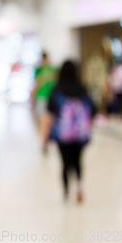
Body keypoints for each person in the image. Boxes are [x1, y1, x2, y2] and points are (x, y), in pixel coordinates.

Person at [42, 60, 95, 203]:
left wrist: (44, 139)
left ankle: (66, 194)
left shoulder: (57, 90)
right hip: (79, 134)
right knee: (78, 161)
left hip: (62, 134)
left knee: (65, 163)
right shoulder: (82, 89)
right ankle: (79, 186)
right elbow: (92, 110)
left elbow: (49, 114)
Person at [34, 52, 57, 124]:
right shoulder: (40, 70)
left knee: (44, 116)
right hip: (44, 95)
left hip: (46, 95)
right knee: (44, 115)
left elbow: (37, 83)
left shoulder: (50, 69)